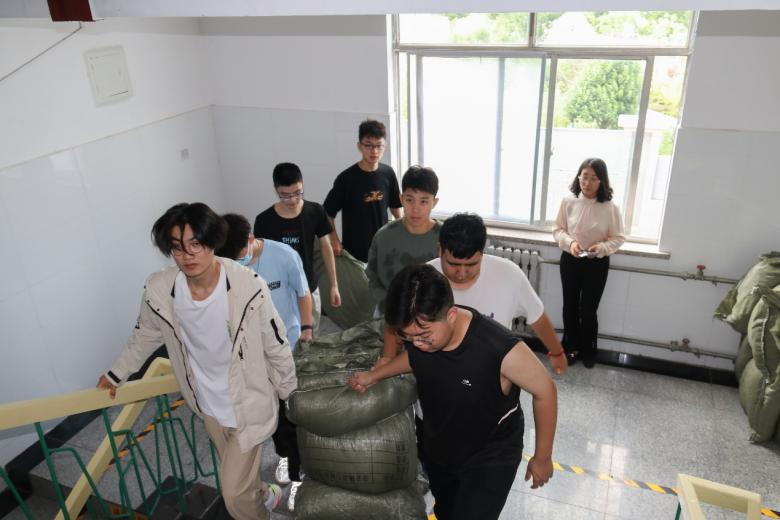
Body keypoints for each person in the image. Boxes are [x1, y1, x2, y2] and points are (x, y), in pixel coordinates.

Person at [97, 203, 296, 519]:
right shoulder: (161, 290)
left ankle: (259, 510)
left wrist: (289, 393)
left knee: (233, 493)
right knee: (241, 478)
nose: (187, 255)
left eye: (196, 244)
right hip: (207, 404)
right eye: (177, 247)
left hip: (249, 402)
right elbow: (145, 334)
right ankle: (266, 494)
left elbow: (276, 342)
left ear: (213, 242)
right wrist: (116, 372)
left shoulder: (246, 286)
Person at [349, 265, 557, 520]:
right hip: (440, 446)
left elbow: (545, 390)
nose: (417, 344)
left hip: (490, 453)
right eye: (409, 338)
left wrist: (543, 457)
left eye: (424, 335)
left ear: (451, 315)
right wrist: (375, 375)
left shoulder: (499, 348)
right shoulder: (423, 339)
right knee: (447, 512)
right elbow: (414, 358)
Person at [216, 212, 308, 512]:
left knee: (292, 415)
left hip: (287, 349)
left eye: (240, 255)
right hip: (252, 359)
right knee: (272, 415)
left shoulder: (284, 255)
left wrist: (307, 329)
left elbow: (303, 294)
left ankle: (299, 475)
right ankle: (283, 456)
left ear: (251, 239)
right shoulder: (223, 267)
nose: (238, 263)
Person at [428, 212, 568, 375]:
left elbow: (537, 317)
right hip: (441, 371)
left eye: (471, 265)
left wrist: (557, 353)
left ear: (482, 253)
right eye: (453, 264)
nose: (462, 273)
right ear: (440, 251)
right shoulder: (425, 277)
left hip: (494, 372)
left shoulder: (509, 274)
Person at [365, 165, 442, 367]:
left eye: (424, 201)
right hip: (390, 313)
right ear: (401, 199)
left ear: (434, 202)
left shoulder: (444, 238)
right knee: (388, 364)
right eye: (409, 200)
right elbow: (372, 276)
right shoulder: (384, 236)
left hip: (432, 318)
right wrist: (389, 309)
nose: (415, 208)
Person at [552, 158, 625, 368]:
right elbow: (558, 229)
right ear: (578, 177)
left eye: (594, 178)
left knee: (588, 309)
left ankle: (588, 350)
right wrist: (571, 243)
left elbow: (618, 238)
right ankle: (571, 348)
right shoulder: (568, 201)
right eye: (584, 177)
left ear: (602, 181)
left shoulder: (610, 208)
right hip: (570, 260)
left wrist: (601, 248)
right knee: (570, 306)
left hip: (597, 263)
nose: (588, 182)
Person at [253, 162, 341, 333]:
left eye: (297, 193)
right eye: (285, 195)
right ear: (276, 190)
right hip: (281, 291)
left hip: (309, 286)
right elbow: (260, 261)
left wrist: (334, 285)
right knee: (285, 335)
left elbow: (326, 247)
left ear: (303, 184)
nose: (292, 200)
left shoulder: (315, 211)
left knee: (311, 333)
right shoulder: (264, 221)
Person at [324, 119, 402, 263]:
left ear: (385, 146)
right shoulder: (346, 179)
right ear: (359, 146)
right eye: (369, 145)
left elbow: (395, 206)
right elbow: (327, 213)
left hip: (383, 246)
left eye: (379, 146)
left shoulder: (388, 174)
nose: (374, 151)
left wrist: (403, 231)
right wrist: (334, 239)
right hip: (355, 251)